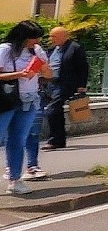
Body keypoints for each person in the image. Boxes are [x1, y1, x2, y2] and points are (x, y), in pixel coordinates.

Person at [0, 21, 52, 195]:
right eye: (33, 38)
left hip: (29, 100)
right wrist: (19, 74)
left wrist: (44, 69)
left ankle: (15, 180)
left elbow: (49, 74)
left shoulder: (36, 50)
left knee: (18, 140)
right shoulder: (5, 50)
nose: (36, 41)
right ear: (22, 36)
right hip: (6, 101)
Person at [42, 26, 88, 151]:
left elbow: (83, 67)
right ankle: (59, 140)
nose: (51, 39)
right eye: (51, 36)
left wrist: (81, 86)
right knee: (56, 111)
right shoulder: (52, 49)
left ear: (64, 36)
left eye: (54, 36)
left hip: (66, 83)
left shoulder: (75, 48)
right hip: (51, 83)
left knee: (52, 109)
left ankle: (53, 140)